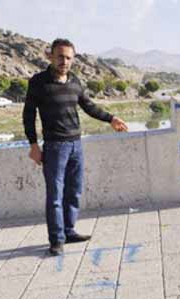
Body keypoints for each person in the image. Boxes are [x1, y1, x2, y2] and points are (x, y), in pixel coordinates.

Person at [23, 38, 128, 256]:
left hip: (75, 145)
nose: (64, 61)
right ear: (50, 56)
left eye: (69, 57)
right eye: (60, 56)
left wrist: (111, 119)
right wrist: (33, 145)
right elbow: (28, 115)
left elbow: (88, 106)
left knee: (74, 191)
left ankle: (69, 231)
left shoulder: (74, 81)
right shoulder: (38, 82)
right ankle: (56, 240)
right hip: (54, 147)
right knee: (54, 196)